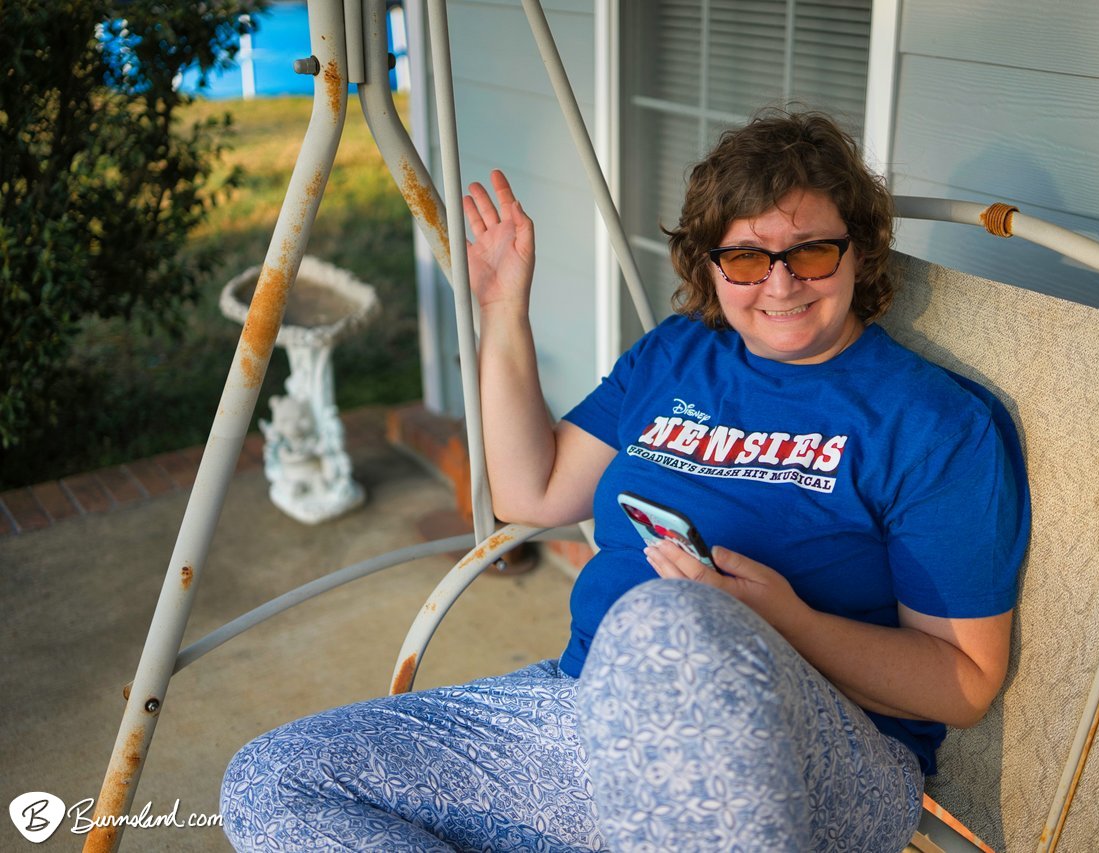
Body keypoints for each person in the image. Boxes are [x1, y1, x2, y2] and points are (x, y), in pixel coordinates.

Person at [221, 108, 1030, 852]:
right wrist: (505, 309)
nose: (780, 284)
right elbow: (532, 491)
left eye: (811, 251)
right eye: (746, 257)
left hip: (822, 755)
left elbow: (963, 682)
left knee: (669, 622)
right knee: (275, 781)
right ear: (708, 264)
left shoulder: (933, 422)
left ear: (861, 251)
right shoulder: (676, 355)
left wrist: (781, 618)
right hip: (584, 709)